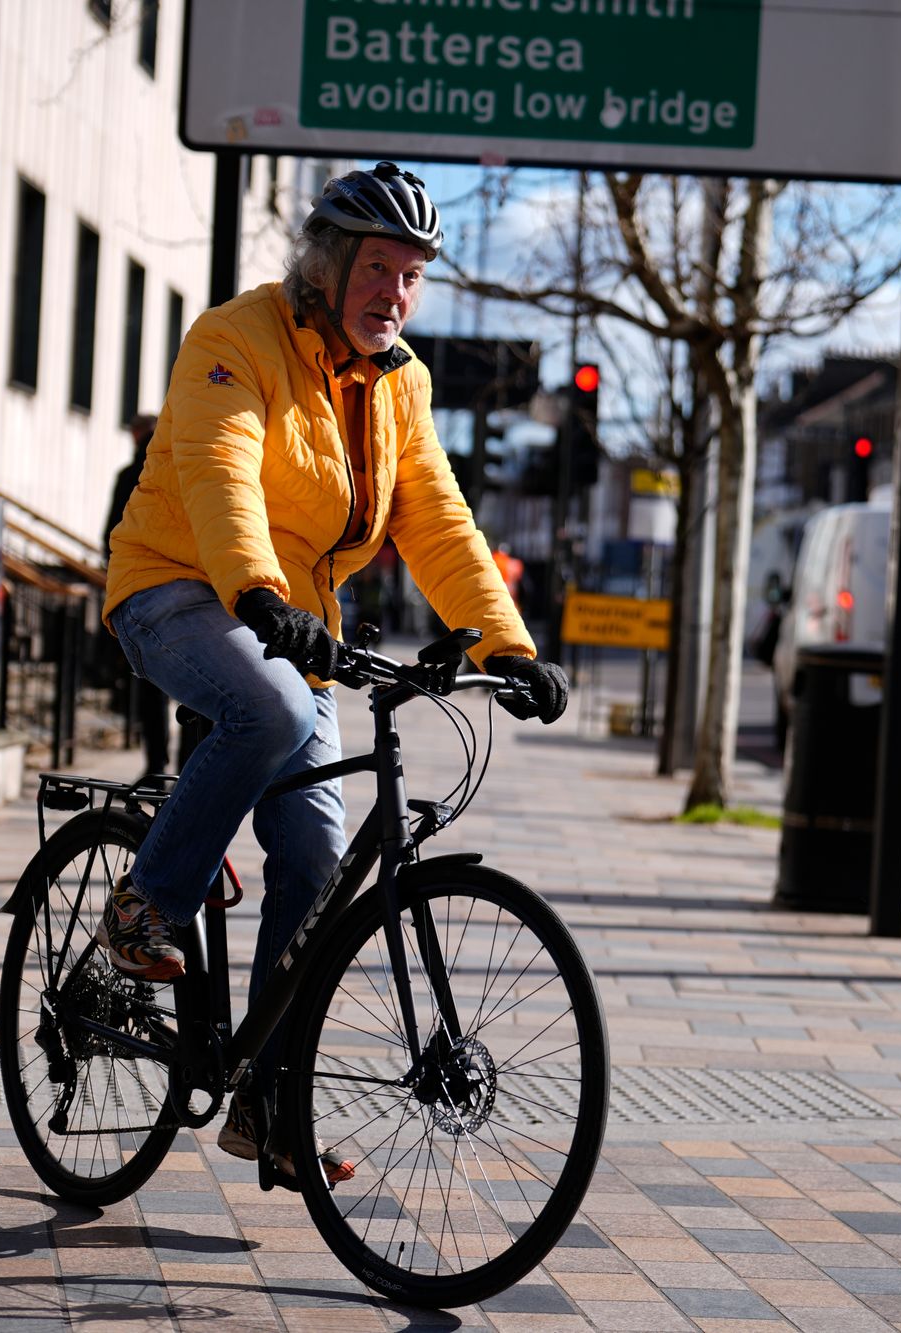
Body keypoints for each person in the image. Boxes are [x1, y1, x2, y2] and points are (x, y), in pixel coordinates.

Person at [98, 161, 568, 1186]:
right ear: (323, 265)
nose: (391, 294)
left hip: (288, 620)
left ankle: (266, 1099)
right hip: (177, 589)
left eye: (409, 277)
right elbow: (220, 469)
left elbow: (437, 521)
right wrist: (259, 591)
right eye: (374, 269)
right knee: (266, 710)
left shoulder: (400, 383)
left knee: (313, 852)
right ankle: (143, 906)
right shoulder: (233, 339)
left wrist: (507, 643)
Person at [102, 414, 172, 778]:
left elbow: (111, 536)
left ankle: (157, 765)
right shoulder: (181, 463)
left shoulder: (131, 475)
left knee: (152, 687)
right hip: (191, 585)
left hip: (141, 590)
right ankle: (191, 768)